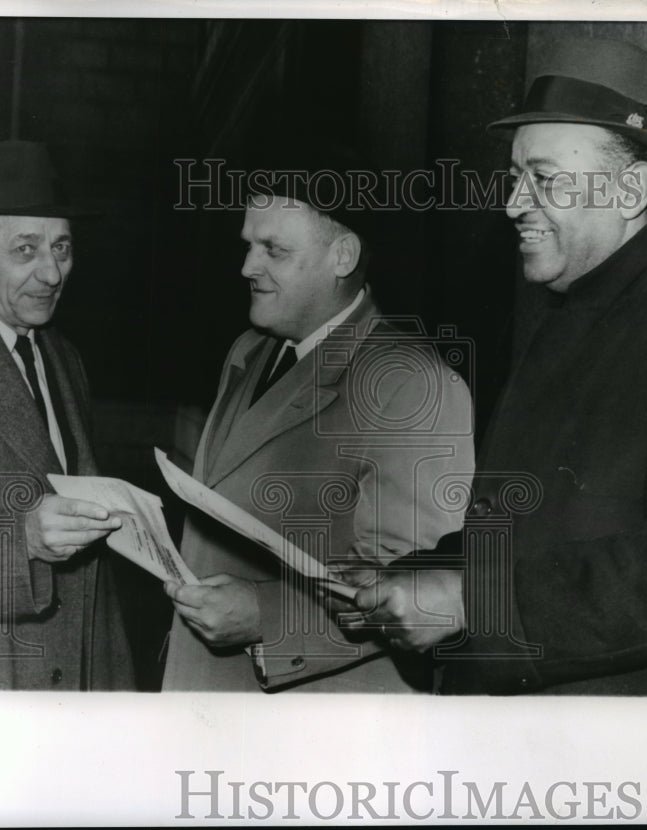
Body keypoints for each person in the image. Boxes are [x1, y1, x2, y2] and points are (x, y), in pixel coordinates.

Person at [348, 38, 647, 695]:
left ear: (630, 188)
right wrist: (405, 579)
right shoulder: (565, 321)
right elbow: (523, 537)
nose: (512, 203)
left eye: (543, 178)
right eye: (515, 176)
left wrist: (472, 602)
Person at [161, 147, 475, 692]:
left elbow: (410, 590)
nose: (246, 267)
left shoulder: (409, 383)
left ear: (343, 256)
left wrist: (266, 616)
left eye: (273, 250)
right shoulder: (250, 351)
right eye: (248, 246)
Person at [0, 140, 133, 690]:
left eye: (62, 247)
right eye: (25, 250)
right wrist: (25, 542)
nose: (53, 272)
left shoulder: (62, 355)